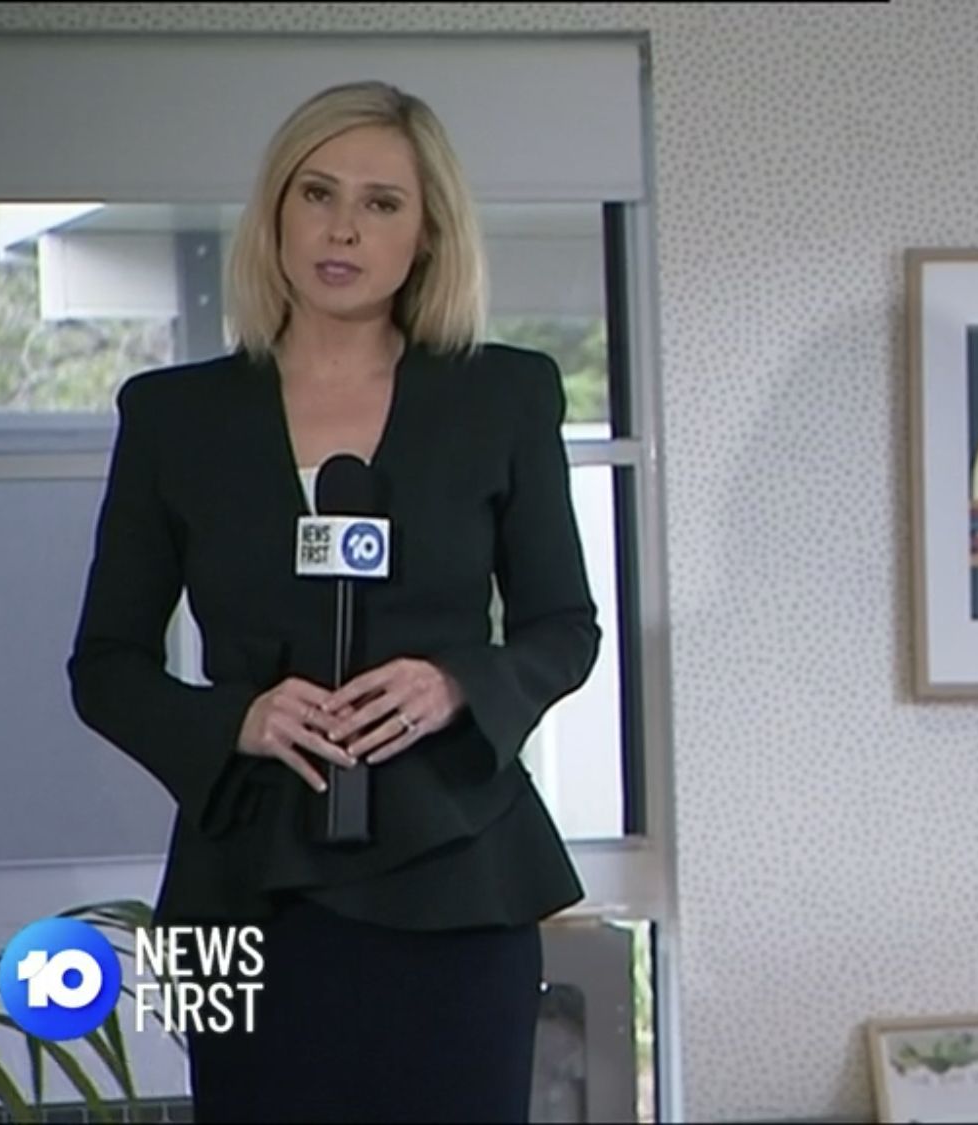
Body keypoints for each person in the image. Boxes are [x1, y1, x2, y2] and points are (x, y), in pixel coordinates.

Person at [65, 79, 601, 1123]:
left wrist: (455, 685)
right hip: (240, 881)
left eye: (381, 202)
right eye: (317, 193)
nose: (342, 227)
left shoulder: (504, 396)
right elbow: (106, 667)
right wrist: (241, 720)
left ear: (428, 233)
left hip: (459, 871)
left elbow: (563, 630)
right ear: (276, 212)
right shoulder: (173, 415)